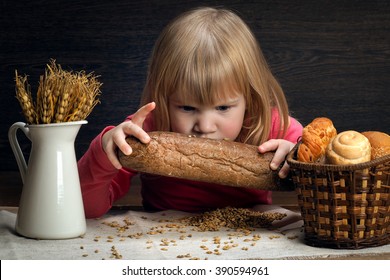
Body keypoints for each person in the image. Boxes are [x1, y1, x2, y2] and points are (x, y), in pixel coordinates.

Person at [78, 7, 303, 218]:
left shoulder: (273, 127)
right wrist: (103, 153)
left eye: (223, 107)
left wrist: (297, 160)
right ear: (163, 98)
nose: (204, 126)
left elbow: (325, 184)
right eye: (187, 107)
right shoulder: (143, 131)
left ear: (250, 98)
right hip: (162, 240)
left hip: (249, 237)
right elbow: (87, 208)